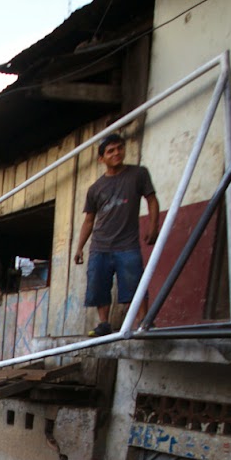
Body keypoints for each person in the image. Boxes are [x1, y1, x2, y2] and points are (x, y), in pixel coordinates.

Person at [73, 133, 160, 337]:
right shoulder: (95, 189)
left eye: (119, 148)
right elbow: (89, 220)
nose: (116, 153)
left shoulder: (138, 174)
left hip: (127, 243)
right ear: (101, 158)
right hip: (100, 245)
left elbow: (152, 200)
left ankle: (144, 321)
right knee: (98, 285)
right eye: (110, 151)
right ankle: (104, 323)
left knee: (134, 281)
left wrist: (154, 226)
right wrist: (79, 247)